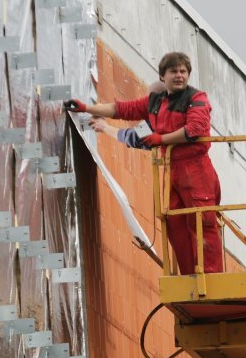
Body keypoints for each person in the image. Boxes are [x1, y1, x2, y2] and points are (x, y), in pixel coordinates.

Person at [64, 52, 223, 275]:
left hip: (195, 169)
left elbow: (194, 130)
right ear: (163, 76)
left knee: (201, 221)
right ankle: (190, 277)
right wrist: (86, 107)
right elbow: (121, 110)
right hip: (172, 170)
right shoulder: (156, 102)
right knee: (175, 224)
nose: (179, 75)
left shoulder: (197, 98)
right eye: (174, 71)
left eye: (183, 71)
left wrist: (161, 139)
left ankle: (211, 276)